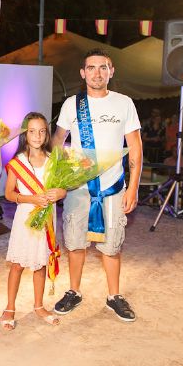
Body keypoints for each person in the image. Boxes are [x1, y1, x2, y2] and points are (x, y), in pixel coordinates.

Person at [52, 48, 142, 322]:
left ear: (111, 72)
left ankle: (114, 296)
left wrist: (133, 188)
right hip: (79, 188)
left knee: (112, 246)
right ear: (83, 73)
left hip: (113, 188)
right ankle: (74, 291)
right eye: (91, 68)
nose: (97, 73)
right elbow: (57, 142)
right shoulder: (72, 104)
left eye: (103, 67)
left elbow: (135, 147)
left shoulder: (124, 103)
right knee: (75, 243)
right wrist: (60, 175)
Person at [0, 112, 63, 330]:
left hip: (47, 219)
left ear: (47, 134)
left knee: (41, 262)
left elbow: (62, 188)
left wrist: (59, 193)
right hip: (25, 217)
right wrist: (31, 199)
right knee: (17, 265)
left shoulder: (53, 160)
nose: (37, 136)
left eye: (42, 131)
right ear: (25, 134)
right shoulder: (18, 162)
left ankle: (39, 305)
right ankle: (10, 307)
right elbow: (9, 193)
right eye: (32, 131)